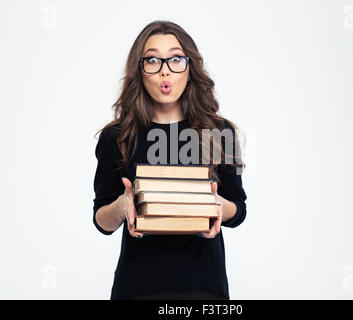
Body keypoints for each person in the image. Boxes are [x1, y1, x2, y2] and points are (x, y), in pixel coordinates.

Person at [92, 20, 247, 300]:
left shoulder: (221, 133)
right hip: (136, 288)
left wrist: (217, 206)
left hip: (204, 288)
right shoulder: (116, 137)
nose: (165, 70)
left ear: (190, 67)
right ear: (140, 70)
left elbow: (239, 210)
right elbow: (102, 220)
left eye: (175, 59)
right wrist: (121, 205)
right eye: (152, 60)